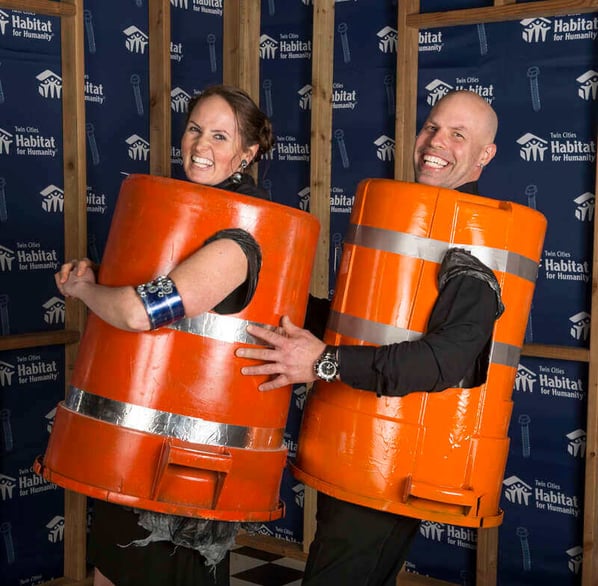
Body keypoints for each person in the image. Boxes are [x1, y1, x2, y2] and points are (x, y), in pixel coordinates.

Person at [235, 90, 503, 585]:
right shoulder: (416, 224)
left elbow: (443, 361)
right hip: (356, 448)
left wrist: (323, 363)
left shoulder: (473, 248)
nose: (435, 142)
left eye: (458, 135)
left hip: (394, 461)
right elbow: (353, 324)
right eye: (432, 127)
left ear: (485, 155)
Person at [55, 84, 275, 586]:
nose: (200, 145)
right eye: (195, 128)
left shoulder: (241, 237)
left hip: (182, 469)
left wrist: (89, 292)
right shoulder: (193, 213)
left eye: (221, 136)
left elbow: (140, 313)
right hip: (141, 446)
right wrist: (101, 276)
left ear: (247, 153)